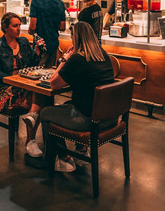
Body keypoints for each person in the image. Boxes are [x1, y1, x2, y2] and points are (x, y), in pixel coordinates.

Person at [39, 22, 116, 172]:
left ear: (77, 39)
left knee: (46, 113)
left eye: (72, 37)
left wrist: (65, 59)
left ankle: (63, 159)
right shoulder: (103, 54)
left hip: (90, 120)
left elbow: (54, 84)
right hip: (110, 117)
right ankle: (81, 149)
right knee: (70, 104)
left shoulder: (78, 59)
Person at [0, 12, 47, 157]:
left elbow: (32, 65)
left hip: (24, 84)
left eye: (20, 25)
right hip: (4, 89)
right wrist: (15, 79)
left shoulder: (24, 42)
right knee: (41, 99)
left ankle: (32, 128)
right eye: (15, 26)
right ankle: (32, 140)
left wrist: (38, 52)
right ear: (5, 27)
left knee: (41, 93)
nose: (19, 29)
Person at [28, 0, 66, 67]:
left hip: (40, 45)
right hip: (53, 44)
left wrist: (30, 31)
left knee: (35, 71)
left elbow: (33, 26)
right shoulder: (60, 3)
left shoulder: (36, 2)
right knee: (48, 75)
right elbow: (62, 27)